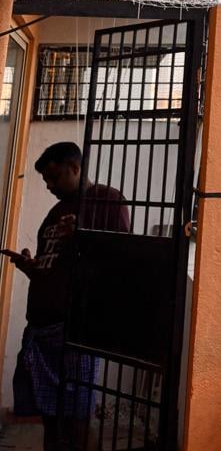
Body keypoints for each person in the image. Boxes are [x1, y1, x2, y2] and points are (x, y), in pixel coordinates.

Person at [3, 142, 130, 451]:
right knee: (50, 417)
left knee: (77, 420)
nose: (49, 185)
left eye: (54, 177)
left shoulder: (107, 200)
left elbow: (120, 258)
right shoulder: (56, 211)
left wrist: (81, 236)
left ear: (75, 168)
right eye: (46, 179)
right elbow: (54, 267)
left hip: (75, 329)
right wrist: (30, 267)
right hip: (40, 329)